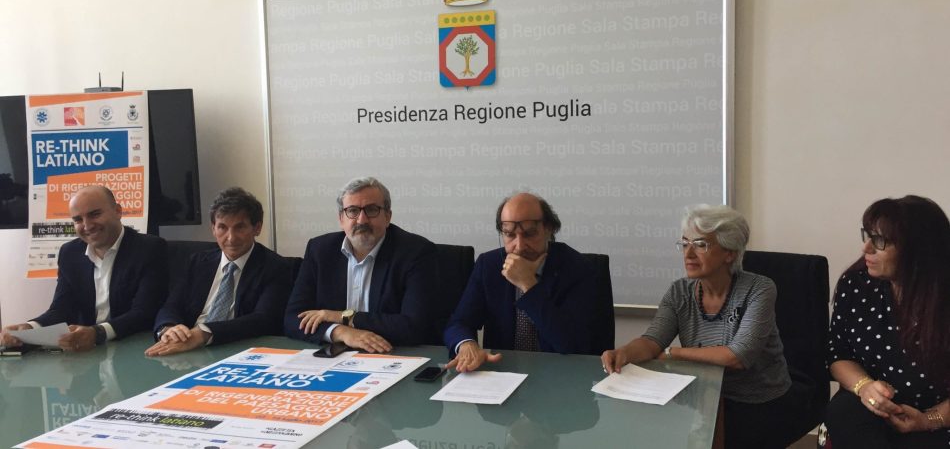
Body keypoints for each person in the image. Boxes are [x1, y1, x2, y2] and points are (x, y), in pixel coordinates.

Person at [602, 204, 806, 449]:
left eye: (700, 245)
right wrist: (624, 353)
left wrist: (673, 353)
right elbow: (652, 340)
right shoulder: (679, 291)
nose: (688, 254)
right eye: (684, 243)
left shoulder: (759, 289)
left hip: (757, 400)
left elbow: (738, 356)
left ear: (729, 253)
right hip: (704, 395)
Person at [825, 195, 950, 448]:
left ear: (917, 250)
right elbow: (837, 353)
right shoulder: (857, 283)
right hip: (871, 409)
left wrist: (928, 420)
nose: (867, 249)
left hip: (938, 415)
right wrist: (865, 387)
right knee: (843, 413)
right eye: (868, 236)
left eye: (880, 241)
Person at [444, 192, 602, 373]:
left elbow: (572, 345)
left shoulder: (578, 269)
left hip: (561, 374)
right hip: (503, 373)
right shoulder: (488, 265)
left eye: (529, 234)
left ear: (548, 229)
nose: (519, 246)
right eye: (509, 235)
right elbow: (459, 323)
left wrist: (529, 285)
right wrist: (466, 344)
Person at [1, 185, 167, 352]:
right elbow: (61, 309)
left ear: (117, 211)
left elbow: (144, 312)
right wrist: (30, 327)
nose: (87, 226)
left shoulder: (149, 248)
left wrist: (98, 333)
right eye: (78, 220)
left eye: (95, 214)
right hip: (86, 352)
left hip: (135, 348)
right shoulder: (69, 253)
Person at [283, 177, 439, 352]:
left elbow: (414, 326)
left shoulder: (416, 252)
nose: (362, 220)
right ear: (341, 219)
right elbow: (293, 319)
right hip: (334, 354)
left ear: (388, 216)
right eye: (353, 211)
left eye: (372, 210)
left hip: (392, 353)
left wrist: (341, 317)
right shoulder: (320, 250)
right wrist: (341, 332)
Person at [146, 187, 292, 356]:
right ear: (213, 229)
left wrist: (204, 333)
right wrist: (169, 328)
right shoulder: (197, 262)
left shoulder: (275, 267)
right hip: (186, 349)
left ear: (257, 228)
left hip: (236, 350)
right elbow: (172, 305)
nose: (231, 238)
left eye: (240, 227)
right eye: (222, 227)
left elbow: (263, 320)